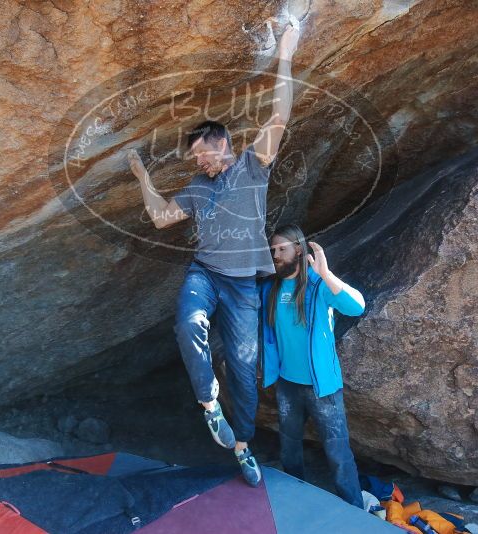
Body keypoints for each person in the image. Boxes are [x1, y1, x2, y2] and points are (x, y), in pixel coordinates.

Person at [127, 21, 301, 486]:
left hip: (244, 283)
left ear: (222, 143)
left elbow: (279, 117)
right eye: (195, 159)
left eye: (203, 154)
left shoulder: (251, 165)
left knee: (245, 368)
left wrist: (284, 51)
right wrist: (143, 178)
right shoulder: (196, 187)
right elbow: (163, 218)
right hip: (204, 272)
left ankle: (243, 446)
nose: (200, 163)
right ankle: (209, 405)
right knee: (187, 323)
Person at [260, 224, 366, 508]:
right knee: (289, 446)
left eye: (282, 249)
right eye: (273, 250)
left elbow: (357, 307)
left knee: (337, 452)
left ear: (299, 249)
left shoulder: (319, 286)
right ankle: (297, 499)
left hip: (323, 386)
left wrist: (327, 275)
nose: (276, 255)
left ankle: (354, 509)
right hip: (287, 383)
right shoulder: (270, 288)